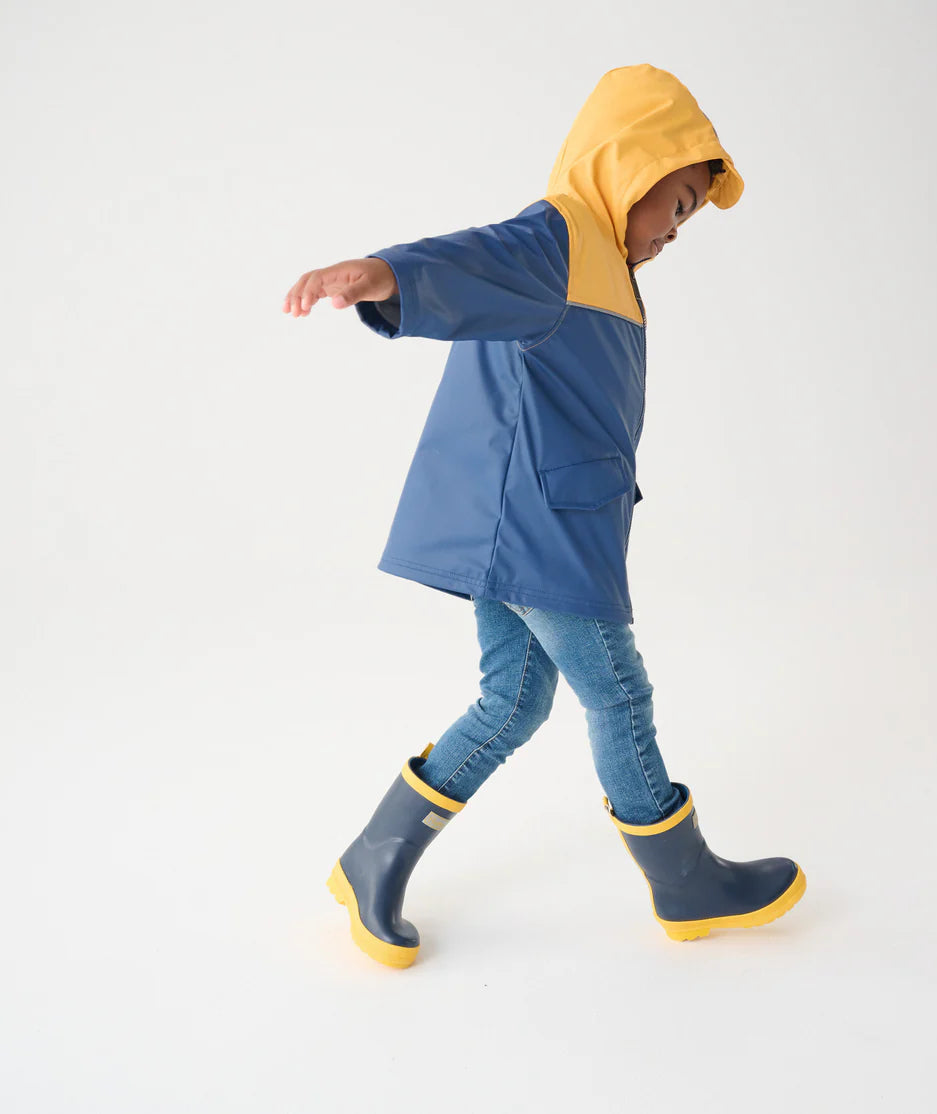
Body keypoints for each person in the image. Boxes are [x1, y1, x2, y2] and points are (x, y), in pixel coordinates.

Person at [283, 64, 806, 968]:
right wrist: (385, 274)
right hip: (536, 530)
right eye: (675, 205)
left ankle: (373, 855)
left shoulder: (602, 263)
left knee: (513, 701)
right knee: (617, 692)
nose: (674, 231)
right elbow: (476, 257)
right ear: (628, 170)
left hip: (535, 524)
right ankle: (683, 880)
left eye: (687, 220)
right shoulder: (562, 238)